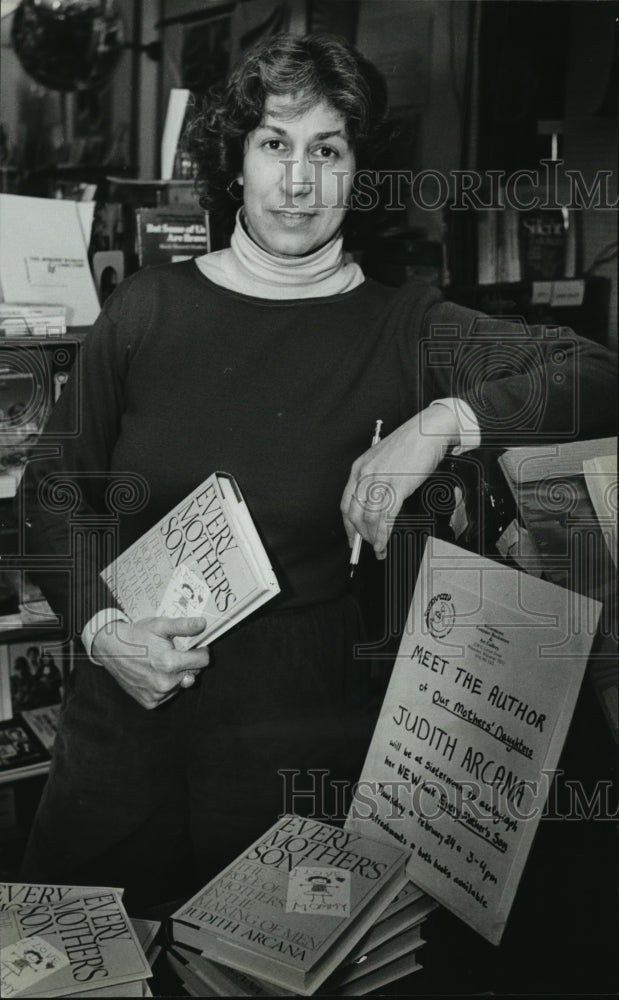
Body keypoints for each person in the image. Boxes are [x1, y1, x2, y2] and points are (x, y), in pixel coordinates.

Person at [20, 33, 616, 908]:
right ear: (239, 162)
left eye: (326, 150)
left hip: (298, 758)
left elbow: (598, 375)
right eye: (274, 144)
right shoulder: (148, 308)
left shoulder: (406, 325)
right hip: (121, 731)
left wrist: (442, 421)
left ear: (356, 171)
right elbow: (53, 492)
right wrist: (105, 633)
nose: (298, 182)